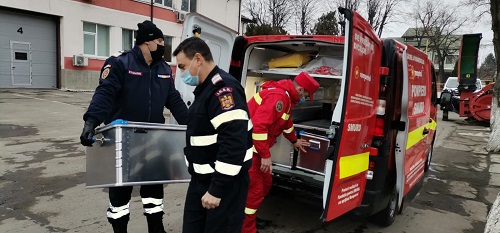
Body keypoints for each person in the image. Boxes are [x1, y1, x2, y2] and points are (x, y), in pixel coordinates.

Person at [79, 20, 188, 233]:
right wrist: (91, 120)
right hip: (124, 138)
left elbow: (173, 99)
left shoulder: (164, 69)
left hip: (155, 139)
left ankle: (156, 228)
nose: (162, 45)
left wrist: (193, 125)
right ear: (146, 43)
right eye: (159, 41)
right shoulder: (120, 63)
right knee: (120, 194)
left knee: (154, 190)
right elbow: (105, 92)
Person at [173, 37, 253, 233]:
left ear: (198, 59)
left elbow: (233, 144)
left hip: (224, 184)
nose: (181, 73)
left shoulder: (224, 90)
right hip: (201, 181)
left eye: (182, 66)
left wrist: (217, 189)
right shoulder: (205, 89)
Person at [242, 71, 320, 233]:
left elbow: (286, 122)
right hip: (248, 150)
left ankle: (249, 217)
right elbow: (259, 127)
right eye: (306, 94)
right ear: (300, 90)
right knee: (255, 193)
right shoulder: (279, 98)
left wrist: (294, 140)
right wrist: (265, 156)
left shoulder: (287, 98)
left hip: (256, 150)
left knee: (265, 185)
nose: (305, 97)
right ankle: (246, 228)